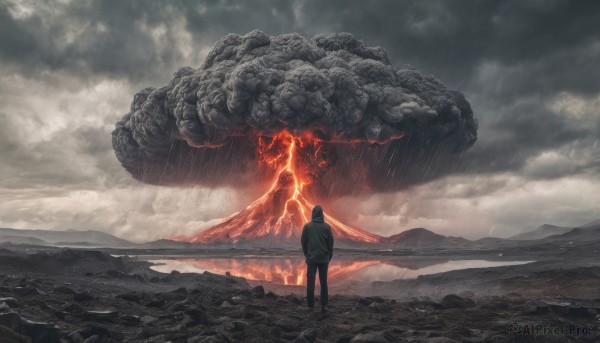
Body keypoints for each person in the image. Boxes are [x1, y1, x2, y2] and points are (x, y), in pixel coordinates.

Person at [301, 204, 334, 313]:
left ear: (313, 214)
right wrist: (329, 256)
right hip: (324, 259)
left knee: (310, 282)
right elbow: (331, 244)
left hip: (312, 259)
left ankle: (310, 305)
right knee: (323, 282)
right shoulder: (327, 227)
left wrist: (307, 254)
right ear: (322, 214)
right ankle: (324, 304)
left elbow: (303, 242)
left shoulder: (307, 227)